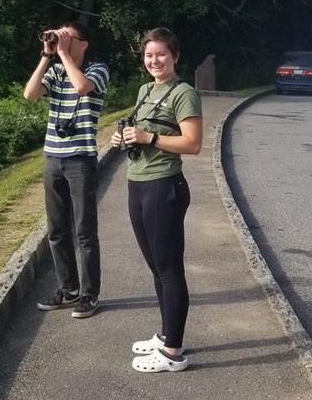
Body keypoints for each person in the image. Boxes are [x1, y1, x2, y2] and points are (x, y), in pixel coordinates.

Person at [110, 27, 203, 373]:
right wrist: (125, 136)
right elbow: (141, 129)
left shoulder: (184, 93)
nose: (155, 61)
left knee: (169, 268)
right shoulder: (145, 89)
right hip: (138, 183)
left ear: (175, 56)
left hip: (164, 187)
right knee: (156, 267)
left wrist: (149, 136)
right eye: (149, 55)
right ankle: (166, 336)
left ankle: (174, 353)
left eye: (162, 54)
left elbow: (193, 144)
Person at [23, 21, 109, 319]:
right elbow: (30, 94)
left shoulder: (98, 69)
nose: (60, 40)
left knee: (85, 231)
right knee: (57, 230)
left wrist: (63, 54)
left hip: (81, 160)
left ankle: (89, 294)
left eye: (67, 37)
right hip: (53, 159)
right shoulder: (56, 69)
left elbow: (82, 86)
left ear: (83, 43)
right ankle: (68, 289)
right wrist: (47, 55)